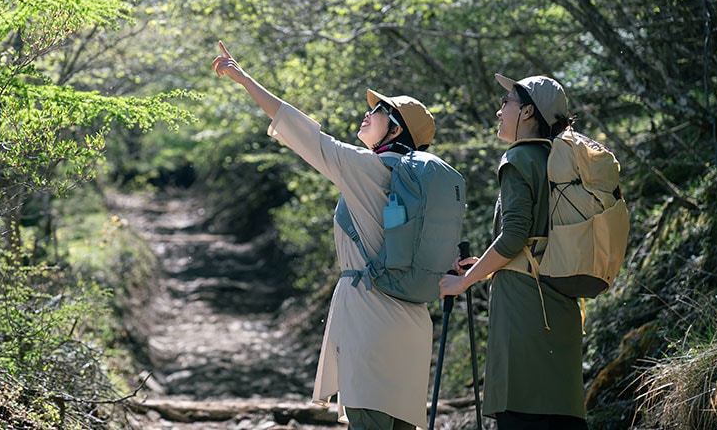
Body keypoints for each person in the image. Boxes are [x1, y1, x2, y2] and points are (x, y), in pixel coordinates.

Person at [212, 40, 435, 430]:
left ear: (396, 129)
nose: (366, 115)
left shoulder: (365, 166)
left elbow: (304, 132)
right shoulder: (421, 181)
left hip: (371, 317)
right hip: (413, 322)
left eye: (377, 112)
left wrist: (245, 79)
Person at [439, 74, 587, 430]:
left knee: (521, 415)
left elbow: (514, 235)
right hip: (560, 304)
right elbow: (537, 237)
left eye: (506, 103)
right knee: (559, 418)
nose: (498, 111)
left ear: (528, 112)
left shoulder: (518, 158)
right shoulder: (561, 160)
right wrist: (488, 266)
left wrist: (465, 282)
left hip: (524, 311)